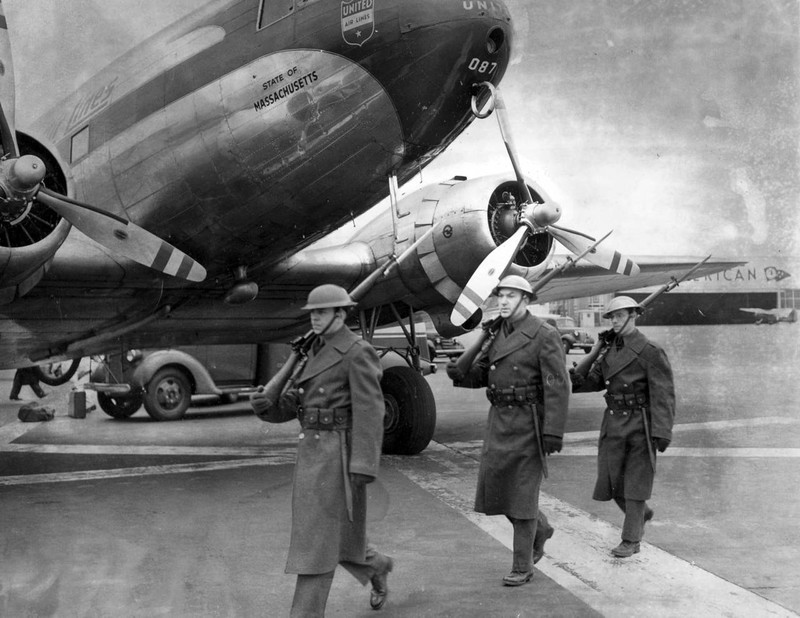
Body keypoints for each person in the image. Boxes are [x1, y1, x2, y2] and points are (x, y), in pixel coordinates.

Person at [250, 284, 393, 616]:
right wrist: (266, 407)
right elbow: (300, 405)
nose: (315, 318)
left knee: (317, 544)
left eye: (322, 312)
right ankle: (378, 566)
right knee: (333, 538)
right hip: (313, 456)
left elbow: (371, 412)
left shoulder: (357, 352)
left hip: (339, 458)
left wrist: (363, 465)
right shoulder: (314, 350)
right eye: (312, 313)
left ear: (340, 314)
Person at [446, 275, 569, 586]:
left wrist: (553, 430)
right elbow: (480, 375)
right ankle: (540, 530)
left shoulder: (544, 334)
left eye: (511, 296)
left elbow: (557, 385)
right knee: (497, 492)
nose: (502, 301)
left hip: (529, 424)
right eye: (500, 295)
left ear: (525, 301)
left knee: (523, 497)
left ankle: (522, 565)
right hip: (499, 421)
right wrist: (461, 370)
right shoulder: (496, 333)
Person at [570, 296, 675, 558]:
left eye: (619, 315)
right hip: (614, 422)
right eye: (611, 317)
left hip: (640, 423)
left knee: (635, 485)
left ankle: (631, 539)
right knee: (611, 482)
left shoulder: (650, 350)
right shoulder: (608, 350)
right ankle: (640, 514)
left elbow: (663, 394)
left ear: (634, 315)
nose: (614, 321)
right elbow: (585, 383)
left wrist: (662, 431)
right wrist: (595, 350)